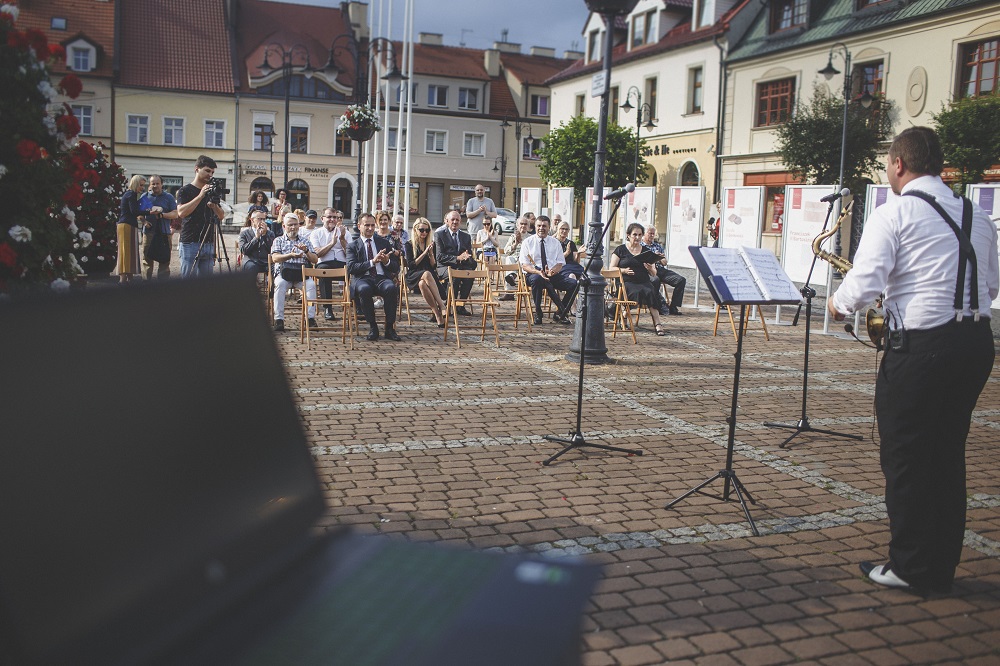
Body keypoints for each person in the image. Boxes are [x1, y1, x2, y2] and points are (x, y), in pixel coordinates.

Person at [827, 126, 998, 595]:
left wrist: (837, 305)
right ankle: (938, 563)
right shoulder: (976, 215)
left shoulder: (895, 212)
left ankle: (910, 566)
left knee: (906, 458)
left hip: (922, 349)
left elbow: (863, 285)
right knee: (946, 455)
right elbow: (992, 287)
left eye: (888, 164)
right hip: (975, 345)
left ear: (899, 165)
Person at [347, 213, 401, 341]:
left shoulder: (383, 243)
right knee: (364, 289)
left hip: (381, 277)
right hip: (363, 278)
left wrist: (386, 261)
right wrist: (372, 262)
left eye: (372, 225)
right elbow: (351, 268)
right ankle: (373, 327)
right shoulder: (353, 246)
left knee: (391, 288)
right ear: (359, 226)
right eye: (367, 225)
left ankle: (389, 328)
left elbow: (395, 267)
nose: (370, 228)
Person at [611, 222, 665, 336]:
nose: (637, 237)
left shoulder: (646, 250)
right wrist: (624, 270)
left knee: (651, 291)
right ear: (628, 235)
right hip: (626, 281)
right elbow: (611, 268)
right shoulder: (620, 250)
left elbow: (654, 273)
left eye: (640, 235)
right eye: (635, 234)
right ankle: (624, 315)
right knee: (634, 291)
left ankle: (658, 323)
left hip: (643, 281)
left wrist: (650, 268)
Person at [176, 155, 225, 278]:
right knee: (188, 281)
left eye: (212, 172)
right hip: (189, 242)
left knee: (205, 286)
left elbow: (221, 216)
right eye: (207, 171)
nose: (210, 174)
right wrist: (200, 196)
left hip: (208, 242)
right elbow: (181, 212)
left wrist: (214, 206)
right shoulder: (185, 190)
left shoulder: (211, 191)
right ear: (197, 169)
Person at [519, 215, 575, 326]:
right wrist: (538, 272)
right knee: (539, 279)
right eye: (539, 226)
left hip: (552, 274)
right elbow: (524, 265)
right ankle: (538, 312)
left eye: (544, 226)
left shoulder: (555, 242)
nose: (541, 228)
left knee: (574, 284)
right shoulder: (528, 242)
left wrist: (553, 271)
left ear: (549, 227)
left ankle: (559, 312)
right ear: (535, 227)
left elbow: (560, 263)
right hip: (533, 274)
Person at [270, 212, 318, 332]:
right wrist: (290, 255)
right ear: (284, 226)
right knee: (279, 285)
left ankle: (310, 318)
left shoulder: (305, 241)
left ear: (299, 225)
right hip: (284, 274)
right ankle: (279, 319)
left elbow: (315, 260)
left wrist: (306, 251)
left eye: (295, 224)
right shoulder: (278, 240)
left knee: (311, 286)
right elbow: (274, 258)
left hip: (301, 275)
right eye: (290, 225)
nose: (293, 227)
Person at [404, 217, 447, 327]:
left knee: (423, 283)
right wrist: (424, 253)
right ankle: (442, 306)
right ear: (415, 230)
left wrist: (431, 253)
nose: (424, 233)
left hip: (428, 277)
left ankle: (437, 316)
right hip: (414, 274)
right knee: (426, 274)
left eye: (427, 230)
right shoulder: (409, 244)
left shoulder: (431, 244)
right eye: (422, 230)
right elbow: (411, 265)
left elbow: (433, 265)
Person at [310, 207, 349, 320]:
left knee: (355, 271)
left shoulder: (344, 232)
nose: (332, 219)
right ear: (322, 219)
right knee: (324, 272)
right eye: (329, 217)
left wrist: (342, 239)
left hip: (342, 263)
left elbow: (350, 254)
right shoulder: (316, 233)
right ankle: (328, 308)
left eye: (335, 217)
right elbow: (317, 254)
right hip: (324, 263)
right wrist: (331, 244)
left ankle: (357, 305)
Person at [435, 210, 477, 313]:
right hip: (444, 266)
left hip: (461, 266)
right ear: (447, 221)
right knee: (455, 277)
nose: (455, 222)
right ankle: (448, 305)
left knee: (469, 276)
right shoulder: (439, 235)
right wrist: (457, 258)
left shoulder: (466, 236)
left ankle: (460, 305)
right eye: (452, 220)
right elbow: (439, 256)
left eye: (457, 220)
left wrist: (467, 257)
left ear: (460, 221)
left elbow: (468, 253)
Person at [139, 175, 178, 280]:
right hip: (149, 232)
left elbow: (175, 214)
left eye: (157, 183)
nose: (155, 186)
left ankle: (162, 285)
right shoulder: (146, 196)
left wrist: (162, 215)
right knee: (147, 259)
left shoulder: (168, 197)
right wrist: (144, 222)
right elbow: (139, 214)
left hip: (164, 232)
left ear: (162, 184)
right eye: (153, 183)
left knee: (164, 260)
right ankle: (146, 284)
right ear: (150, 184)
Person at [642, 225, 686, 315]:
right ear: (644, 234)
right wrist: (652, 257)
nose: (651, 235)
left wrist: (658, 258)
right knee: (655, 280)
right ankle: (657, 306)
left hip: (660, 269)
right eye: (650, 233)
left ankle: (673, 306)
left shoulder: (657, 246)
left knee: (681, 280)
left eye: (653, 234)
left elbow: (665, 262)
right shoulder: (641, 246)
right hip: (648, 269)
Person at [117, 174, 146, 283]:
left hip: (128, 225)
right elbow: (134, 211)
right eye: (141, 185)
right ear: (135, 184)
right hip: (126, 225)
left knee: (130, 251)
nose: (142, 188)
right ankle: (123, 278)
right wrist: (149, 211)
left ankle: (129, 276)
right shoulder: (131, 195)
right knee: (126, 251)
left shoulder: (130, 194)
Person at [238, 209, 274, 276]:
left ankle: (272, 286)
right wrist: (256, 238)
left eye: (264, 219)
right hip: (251, 260)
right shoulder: (244, 233)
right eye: (259, 219)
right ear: (252, 220)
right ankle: (251, 286)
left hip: (265, 261)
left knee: (276, 268)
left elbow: (272, 249)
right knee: (252, 267)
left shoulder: (270, 233)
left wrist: (265, 235)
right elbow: (244, 250)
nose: (262, 221)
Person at [503, 216, 531, 289]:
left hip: (525, 260)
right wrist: (514, 245)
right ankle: (509, 290)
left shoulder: (531, 238)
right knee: (508, 258)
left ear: (528, 226)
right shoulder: (513, 236)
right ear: (517, 225)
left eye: (525, 224)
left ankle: (512, 277)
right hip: (514, 258)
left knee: (518, 262)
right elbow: (505, 251)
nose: (523, 226)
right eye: (521, 224)